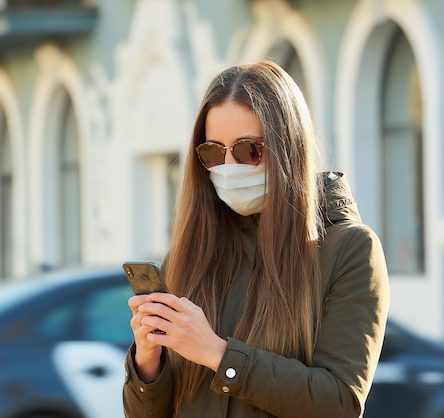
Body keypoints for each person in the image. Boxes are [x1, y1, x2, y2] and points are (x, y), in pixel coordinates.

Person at [123, 59, 390, 418]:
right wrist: (147, 362)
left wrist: (216, 353)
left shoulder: (350, 251)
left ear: (288, 150)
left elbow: (339, 403)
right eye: (213, 152)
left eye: (249, 150)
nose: (229, 166)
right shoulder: (192, 255)